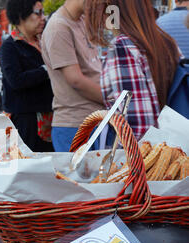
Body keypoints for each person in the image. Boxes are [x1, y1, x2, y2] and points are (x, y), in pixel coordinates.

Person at [85, 0, 181, 141]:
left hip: (144, 157)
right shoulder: (166, 42)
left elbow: (138, 129)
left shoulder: (122, 48)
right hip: (175, 146)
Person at [41, 0, 104, 152]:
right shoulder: (58, 27)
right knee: (77, 176)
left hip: (95, 121)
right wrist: (115, 99)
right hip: (75, 125)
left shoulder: (82, 21)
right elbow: (75, 80)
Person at [0, 0, 55, 152]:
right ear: (21, 16)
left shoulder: (43, 42)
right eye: (37, 13)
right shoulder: (10, 46)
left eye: (43, 13)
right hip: (25, 121)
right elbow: (15, 80)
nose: (42, 18)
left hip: (50, 117)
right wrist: (45, 70)